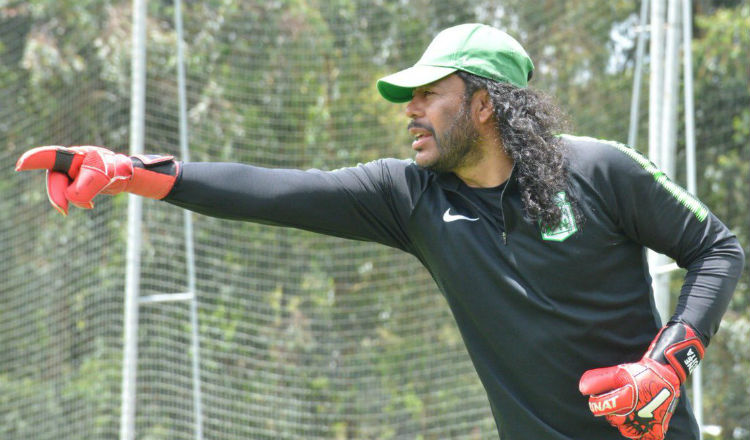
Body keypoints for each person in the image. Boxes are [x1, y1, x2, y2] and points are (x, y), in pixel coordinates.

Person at [16, 23, 744, 440]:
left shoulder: (601, 170)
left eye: (429, 93)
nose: (411, 109)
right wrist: (125, 170)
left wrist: (669, 363)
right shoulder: (410, 197)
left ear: (484, 103)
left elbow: (718, 247)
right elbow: (275, 192)